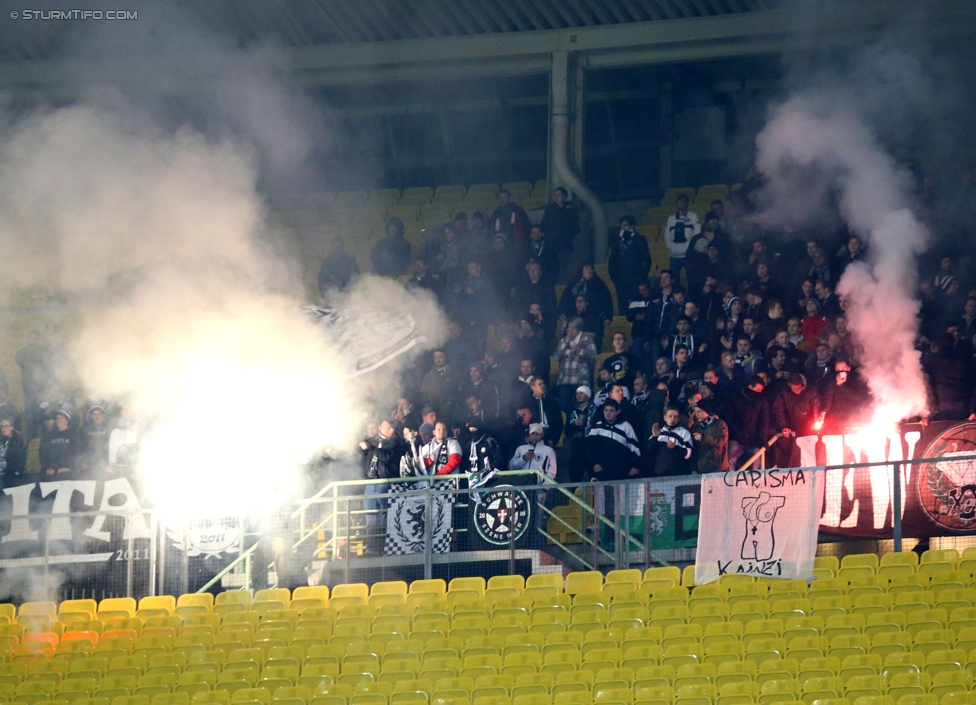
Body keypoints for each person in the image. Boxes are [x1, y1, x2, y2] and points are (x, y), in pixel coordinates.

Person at [585, 399, 642, 545]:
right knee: (601, 502)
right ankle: (600, 532)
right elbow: (589, 448)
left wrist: (635, 465)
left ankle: (621, 535)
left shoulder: (626, 426)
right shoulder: (596, 427)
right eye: (606, 410)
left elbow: (634, 447)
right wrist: (594, 464)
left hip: (621, 473)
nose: (608, 413)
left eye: (611, 410)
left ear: (617, 412)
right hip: (601, 472)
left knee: (620, 504)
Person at [359, 420, 406, 553]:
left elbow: (386, 457)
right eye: (387, 426)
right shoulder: (374, 441)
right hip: (370, 483)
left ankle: (384, 548)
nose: (389, 429)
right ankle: (371, 549)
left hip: (384, 483)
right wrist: (363, 447)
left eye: (391, 427)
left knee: (383, 518)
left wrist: (371, 448)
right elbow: (361, 450)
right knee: (371, 518)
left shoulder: (395, 442)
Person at [16, 330, 56, 440]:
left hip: (44, 391)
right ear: (27, 339)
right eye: (33, 338)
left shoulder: (44, 351)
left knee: (45, 419)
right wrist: (34, 346)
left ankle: (46, 442)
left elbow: (53, 364)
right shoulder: (23, 352)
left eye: (37, 339)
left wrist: (48, 346)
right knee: (31, 420)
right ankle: (31, 444)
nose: (35, 341)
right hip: (29, 392)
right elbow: (19, 359)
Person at [553, 317, 599, 413]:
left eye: (573, 328)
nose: (570, 331)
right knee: (564, 408)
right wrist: (565, 342)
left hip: (581, 380)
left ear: (579, 329)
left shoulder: (587, 339)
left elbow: (594, 357)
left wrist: (580, 351)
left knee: (581, 408)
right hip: (565, 381)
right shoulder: (563, 341)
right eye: (569, 328)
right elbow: (556, 357)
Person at [607, 216, 652, 315]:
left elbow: (647, 259)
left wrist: (642, 277)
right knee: (622, 306)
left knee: (637, 305)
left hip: (635, 278)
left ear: (632, 226)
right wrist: (614, 276)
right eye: (621, 226)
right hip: (621, 279)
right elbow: (612, 260)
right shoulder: (617, 241)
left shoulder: (639, 239)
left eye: (625, 225)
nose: (623, 228)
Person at [541, 187, 580, 279]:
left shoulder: (570, 210)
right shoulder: (549, 210)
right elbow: (544, 226)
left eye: (558, 195)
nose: (556, 197)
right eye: (554, 195)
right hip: (552, 246)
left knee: (566, 269)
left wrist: (566, 236)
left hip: (566, 246)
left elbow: (576, 228)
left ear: (565, 197)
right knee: (554, 268)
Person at [664, 194, 701, 284]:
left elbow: (697, 235)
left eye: (684, 201)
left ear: (688, 204)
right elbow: (667, 236)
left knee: (692, 281)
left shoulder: (693, 216)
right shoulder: (671, 218)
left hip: (689, 255)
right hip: (674, 256)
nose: (682, 203)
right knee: (674, 282)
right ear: (676, 204)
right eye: (680, 201)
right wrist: (672, 248)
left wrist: (690, 249)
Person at [648, 405, 694, 476]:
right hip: (659, 475)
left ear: (679, 418)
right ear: (665, 418)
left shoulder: (684, 433)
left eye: (675, 417)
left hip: (678, 475)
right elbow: (648, 452)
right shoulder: (658, 432)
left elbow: (688, 454)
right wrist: (654, 437)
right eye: (670, 416)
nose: (672, 419)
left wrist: (675, 448)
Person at [420, 350, 461, 427]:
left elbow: (458, 393)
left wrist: (450, 404)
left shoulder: (453, 375)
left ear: (445, 357)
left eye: (440, 357)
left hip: (447, 414)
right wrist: (427, 407)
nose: (438, 359)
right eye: (435, 357)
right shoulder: (428, 375)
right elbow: (423, 393)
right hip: (432, 413)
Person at [565, 385, 596, 483]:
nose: (578, 395)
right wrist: (574, 424)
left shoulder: (596, 409)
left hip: (592, 444)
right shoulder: (572, 410)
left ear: (587, 395)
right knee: (575, 473)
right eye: (577, 393)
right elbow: (567, 430)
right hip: (577, 445)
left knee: (593, 473)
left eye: (581, 393)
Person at [488, 189, 531, 257]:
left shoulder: (518, 211)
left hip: (515, 243)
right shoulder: (496, 213)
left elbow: (525, 228)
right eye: (500, 198)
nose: (502, 200)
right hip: (500, 244)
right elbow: (491, 230)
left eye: (504, 197)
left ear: (509, 197)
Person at [690, 401, 729, 474]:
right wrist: (694, 469)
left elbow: (721, 442)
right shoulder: (696, 427)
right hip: (702, 468)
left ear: (706, 411)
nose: (697, 414)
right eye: (695, 412)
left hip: (717, 467)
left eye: (699, 411)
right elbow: (694, 451)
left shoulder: (719, 424)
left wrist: (703, 438)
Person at [40, 409, 79, 478]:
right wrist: (48, 467)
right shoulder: (50, 436)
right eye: (57, 418)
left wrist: (69, 468)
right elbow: (43, 453)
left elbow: (77, 453)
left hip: (69, 472)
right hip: (52, 471)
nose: (58, 420)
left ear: (67, 420)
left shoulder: (74, 436)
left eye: (61, 418)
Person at [527, 377, 564, 448]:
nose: (543, 385)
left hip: (549, 436)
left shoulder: (552, 401)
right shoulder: (528, 402)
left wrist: (554, 439)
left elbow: (558, 422)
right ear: (533, 387)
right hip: (532, 438)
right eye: (539, 384)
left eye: (543, 384)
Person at [82, 403, 111, 477]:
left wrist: (108, 463)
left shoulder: (109, 428)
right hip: (90, 465)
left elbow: (112, 447)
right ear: (91, 416)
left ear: (103, 415)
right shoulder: (86, 430)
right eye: (94, 414)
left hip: (106, 465)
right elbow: (84, 447)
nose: (96, 416)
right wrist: (84, 461)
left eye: (99, 414)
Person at [0, 417, 27, 488]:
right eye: (2, 426)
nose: (3, 428)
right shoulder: (1, 438)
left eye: (6, 426)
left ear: (12, 427)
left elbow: (21, 457)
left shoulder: (17, 439)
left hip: (11, 470)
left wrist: (18, 470)